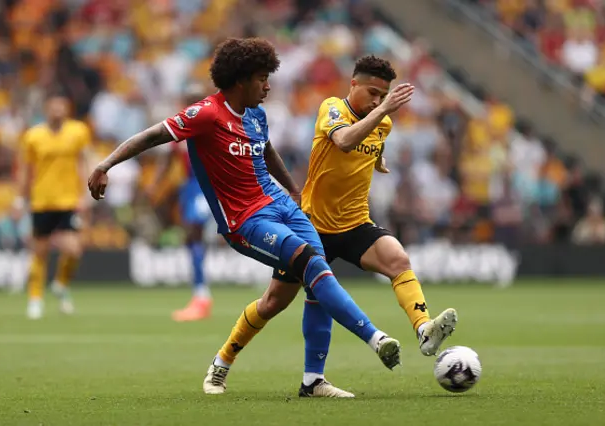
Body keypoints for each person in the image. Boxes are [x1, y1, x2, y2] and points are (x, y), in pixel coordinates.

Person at [88, 37, 401, 397]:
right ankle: (375, 338)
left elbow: (266, 151)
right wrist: (105, 163)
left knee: (298, 291)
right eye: (262, 78)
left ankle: (310, 380)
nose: (268, 86)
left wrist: (295, 192)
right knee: (311, 267)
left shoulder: (256, 114)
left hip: (282, 207)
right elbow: (155, 134)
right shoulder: (206, 114)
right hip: (245, 222)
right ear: (240, 80)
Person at [213, 55, 458, 397]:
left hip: (356, 223)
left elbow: (369, 144)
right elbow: (343, 141)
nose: (376, 100)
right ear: (353, 84)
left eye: (382, 94)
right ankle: (222, 361)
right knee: (273, 303)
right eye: (372, 92)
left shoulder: (380, 122)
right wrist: (384, 109)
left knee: (398, 259)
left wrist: (379, 158)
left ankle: (423, 330)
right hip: (312, 225)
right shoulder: (333, 109)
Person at [18, 92, 92, 319]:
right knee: (39, 252)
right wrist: (20, 198)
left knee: (74, 249)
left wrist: (87, 193)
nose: (58, 110)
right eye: (54, 106)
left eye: (62, 106)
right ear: (46, 108)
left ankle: (60, 283)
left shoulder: (78, 131)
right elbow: (25, 170)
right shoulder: (33, 136)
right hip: (42, 200)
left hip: (69, 200)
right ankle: (35, 299)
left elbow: (84, 161)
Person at [147, 84, 213, 321]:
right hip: (191, 185)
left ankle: (201, 297)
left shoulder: (211, 125)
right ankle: (201, 296)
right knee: (191, 235)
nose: (192, 105)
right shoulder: (182, 127)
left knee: (196, 233)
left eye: (197, 100)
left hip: (209, 185)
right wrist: (155, 183)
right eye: (189, 100)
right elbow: (167, 158)